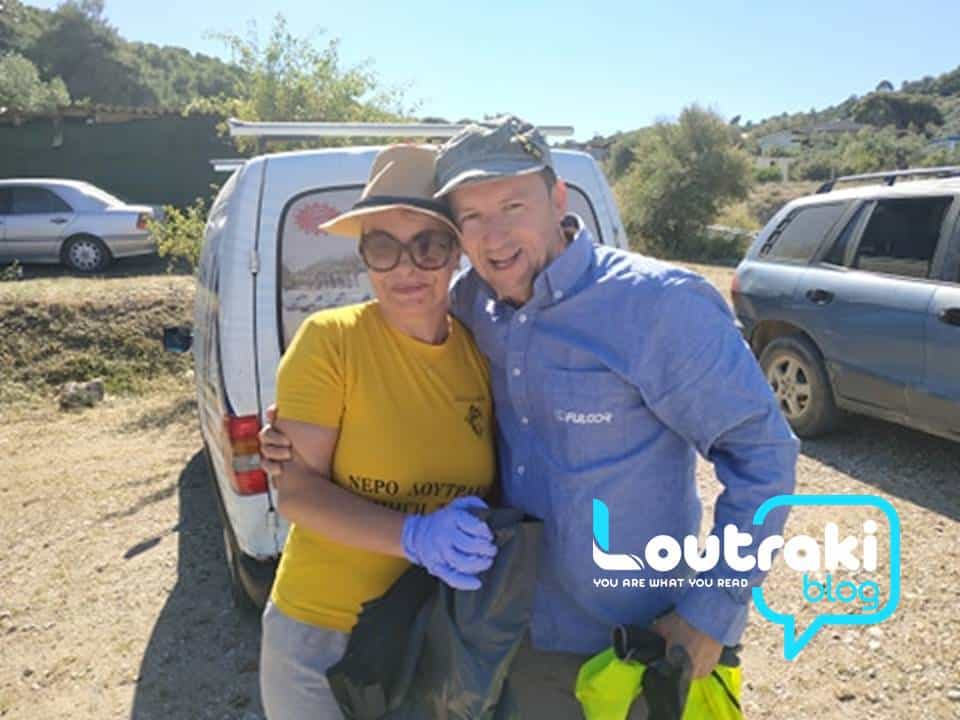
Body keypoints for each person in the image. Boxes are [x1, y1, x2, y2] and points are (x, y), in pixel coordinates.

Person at [262, 116, 800, 717]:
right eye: (471, 216)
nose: (494, 236)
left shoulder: (658, 306)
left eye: (512, 205)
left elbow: (764, 455)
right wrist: (296, 433)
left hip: (634, 642)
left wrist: (712, 610)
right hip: (508, 638)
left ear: (558, 199)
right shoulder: (472, 308)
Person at [258, 144, 499, 720]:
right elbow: (297, 493)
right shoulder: (330, 342)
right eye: (383, 248)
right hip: (321, 637)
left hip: (433, 637)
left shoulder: (480, 355)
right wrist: (415, 537)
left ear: (457, 253)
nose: (406, 269)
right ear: (365, 256)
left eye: (429, 245)